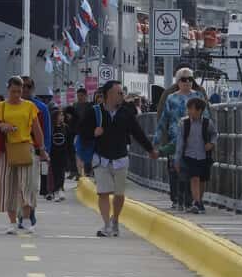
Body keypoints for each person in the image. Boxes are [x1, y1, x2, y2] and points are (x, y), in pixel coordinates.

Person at [92, 80, 158, 237]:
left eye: (122, 93)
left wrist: (150, 150)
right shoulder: (95, 112)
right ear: (108, 95)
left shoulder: (126, 113)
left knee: (119, 194)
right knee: (103, 193)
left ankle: (115, 220)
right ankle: (107, 225)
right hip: (101, 158)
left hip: (120, 158)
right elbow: (82, 132)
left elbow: (138, 132)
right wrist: (93, 133)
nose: (122, 96)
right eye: (119, 93)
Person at [0, 76, 49, 234]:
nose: (17, 94)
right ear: (8, 90)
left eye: (19, 91)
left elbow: (37, 129)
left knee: (27, 185)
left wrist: (42, 149)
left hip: (25, 148)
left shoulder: (30, 106)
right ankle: (11, 222)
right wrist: (2, 125)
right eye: (13, 91)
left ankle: (25, 219)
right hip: (6, 150)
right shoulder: (1, 107)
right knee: (7, 186)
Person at [154, 68, 209, 211]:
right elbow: (163, 118)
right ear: (178, 82)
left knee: (191, 171)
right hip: (174, 138)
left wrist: (209, 137)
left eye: (190, 79)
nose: (187, 82)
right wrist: (157, 139)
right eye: (184, 80)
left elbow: (207, 116)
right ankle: (177, 199)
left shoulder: (198, 96)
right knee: (175, 169)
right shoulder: (171, 97)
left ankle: (191, 201)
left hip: (194, 139)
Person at [174, 97, 218, 214]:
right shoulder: (184, 123)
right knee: (194, 178)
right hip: (189, 155)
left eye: (192, 109)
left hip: (204, 155)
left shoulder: (208, 123)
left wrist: (211, 143)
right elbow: (179, 142)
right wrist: (177, 160)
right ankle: (197, 202)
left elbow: (214, 134)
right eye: (188, 109)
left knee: (202, 180)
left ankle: (198, 201)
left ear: (200, 111)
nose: (189, 111)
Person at [21, 77, 52, 199]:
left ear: (33, 88)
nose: (25, 89)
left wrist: (45, 151)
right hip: (14, 149)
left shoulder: (42, 107)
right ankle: (22, 213)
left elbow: (46, 130)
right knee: (18, 185)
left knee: (31, 185)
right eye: (23, 86)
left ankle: (29, 214)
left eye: (28, 86)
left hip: (34, 150)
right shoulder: (8, 105)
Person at [48, 108, 69, 202]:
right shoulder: (51, 128)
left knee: (62, 172)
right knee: (55, 172)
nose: (62, 117)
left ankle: (60, 188)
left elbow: (69, 141)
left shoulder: (65, 127)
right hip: (53, 153)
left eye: (63, 115)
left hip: (63, 153)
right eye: (60, 115)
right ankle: (55, 190)